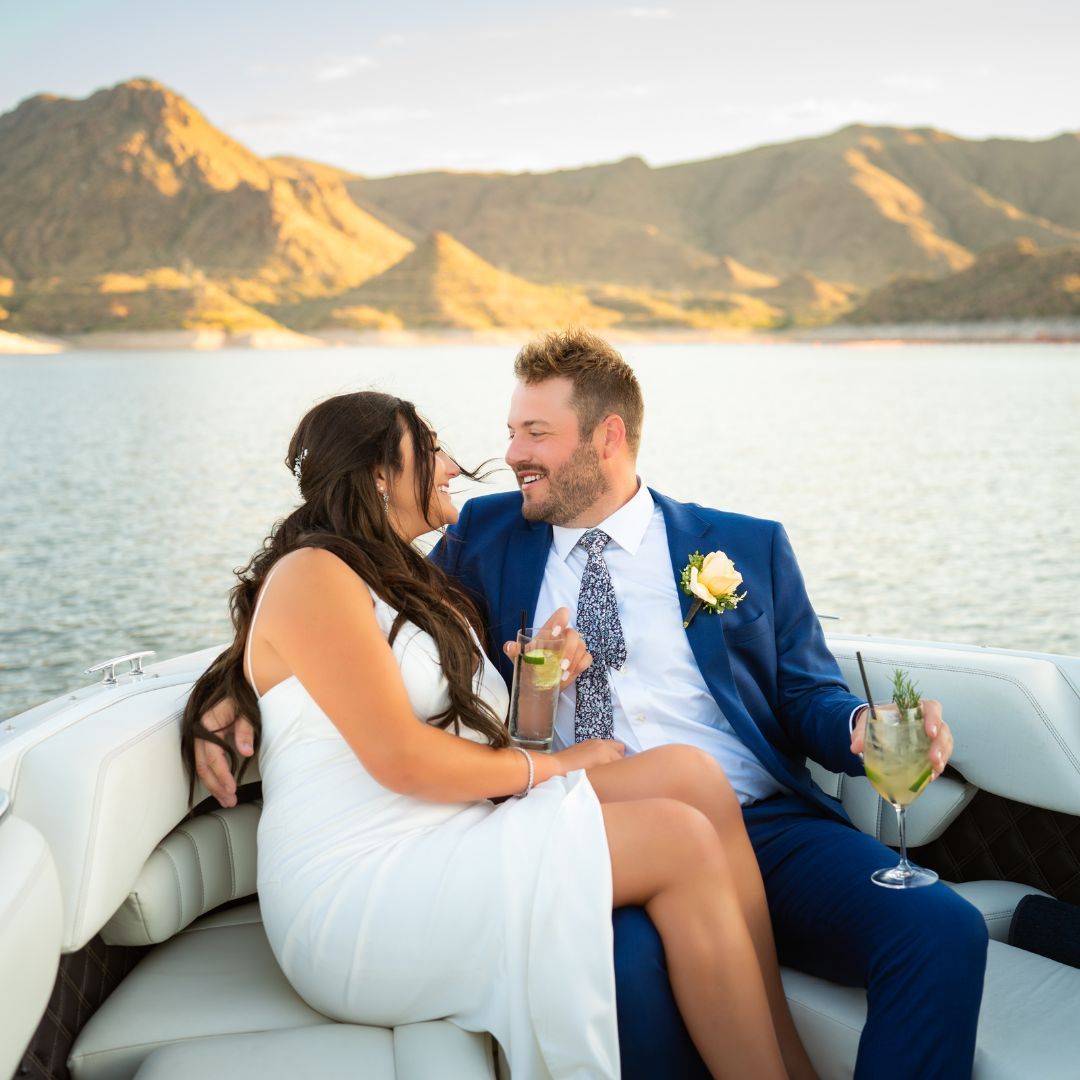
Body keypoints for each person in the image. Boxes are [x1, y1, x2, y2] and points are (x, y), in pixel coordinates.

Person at [198, 330, 988, 1078]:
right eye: (510, 431)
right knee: (630, 959)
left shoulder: (743, 545)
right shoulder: (485, 534)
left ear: (607, 437)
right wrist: (232, 683)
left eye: (534, 434)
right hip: (576, 807)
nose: (506, 455)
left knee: (939, 928)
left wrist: (860, 725)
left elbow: (803, 690)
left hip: (758, 823)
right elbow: (330, 605)